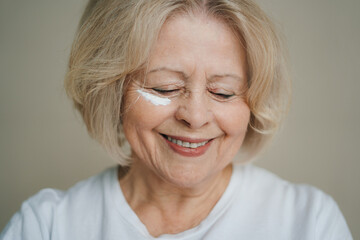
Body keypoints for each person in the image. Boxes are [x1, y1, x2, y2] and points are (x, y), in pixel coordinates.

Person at [0, 0, 353, 239]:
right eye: (164, 87)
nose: (195, 117)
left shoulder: (308, 224)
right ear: (111, 89)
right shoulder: (46, 227)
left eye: (224, 92)